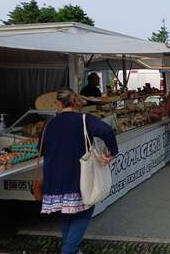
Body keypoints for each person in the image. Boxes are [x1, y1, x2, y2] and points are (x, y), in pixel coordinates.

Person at [41, 89, 118, 254]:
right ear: (75, 103)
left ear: (59, 104)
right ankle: (69, 250)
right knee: (84, 212)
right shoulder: (84, 120)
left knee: (66, 213)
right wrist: (112, 152)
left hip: (54, 177)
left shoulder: (49, 124)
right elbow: (107, 131)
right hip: (78, 176)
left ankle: (71, 249)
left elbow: (41, 149)